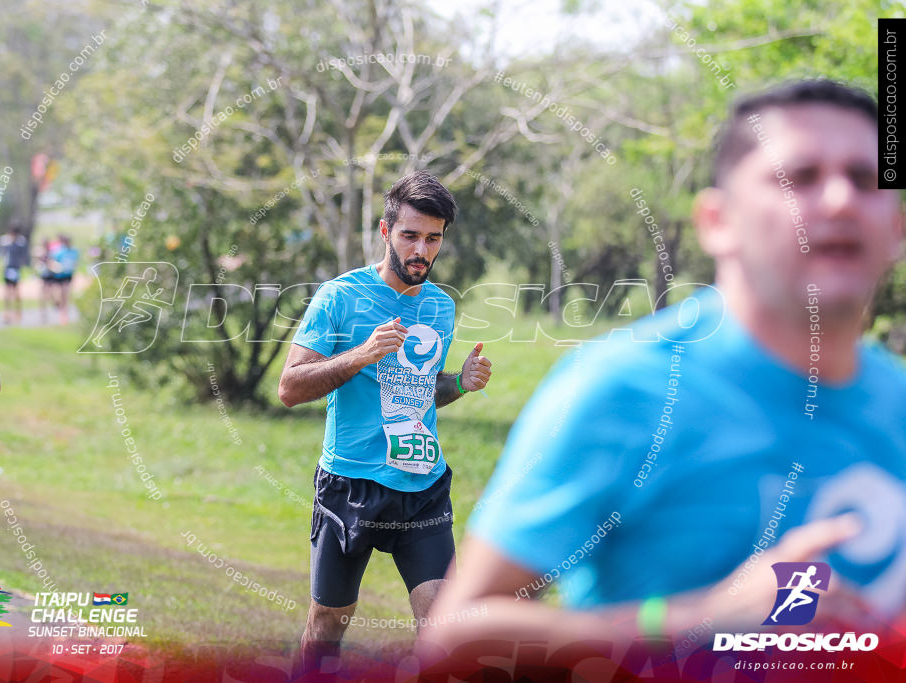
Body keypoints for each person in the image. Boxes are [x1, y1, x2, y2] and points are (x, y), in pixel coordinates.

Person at [420, 79, 905, 674]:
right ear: (717, 221)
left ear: (898, 224)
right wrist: (699, 620)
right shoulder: (627, 389)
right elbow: (455, 639)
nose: (840, 201)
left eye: (865, 179)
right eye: (798, 177)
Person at [278, 171, 493, 673]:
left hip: (422, 488)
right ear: (385, 231)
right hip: (350, 484)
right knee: (329, 622)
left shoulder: (441, 306)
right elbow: (290, 388)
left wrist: (459, 383)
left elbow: (417, 393)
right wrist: (361, 354)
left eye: (433, 238)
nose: (422, 249)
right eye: (410, 235)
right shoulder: (339, 297)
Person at [0, 226, 28, 324]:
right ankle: (7, 313)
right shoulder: (6, 243)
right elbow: (1, 253)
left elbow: (22, 255)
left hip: (15, 269)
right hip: (8, 269)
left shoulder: (20, 243)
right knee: (7, 292)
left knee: (16, 292)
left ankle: (18, 313)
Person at [47, 235, 78, 325]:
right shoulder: (59, 252)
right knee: (59, 295)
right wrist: (56, 267)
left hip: (68, 275)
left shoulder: (74, 252)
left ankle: (64, 313)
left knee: (66, 293)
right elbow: (51, 262)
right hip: (59, 276)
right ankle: (59, 306)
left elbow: (75, 262)